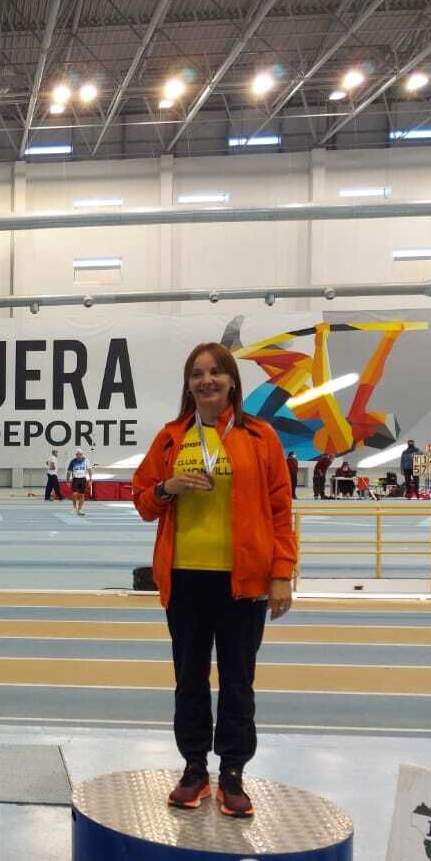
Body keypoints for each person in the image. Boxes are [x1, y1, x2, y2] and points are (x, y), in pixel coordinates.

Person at [133, 341, 295, 819]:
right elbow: (143, 501)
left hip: (243, 582)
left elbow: (281, 512)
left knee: (239, 682)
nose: (207, 381)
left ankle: (233, 773)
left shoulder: (262, 437)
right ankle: (194, 768)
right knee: (189, 680)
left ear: (231, 382)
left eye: (216, 373)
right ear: (188, 385)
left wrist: (281, 573)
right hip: (185, 579)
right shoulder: (170, 438)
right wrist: (169, 488)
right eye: (198, 374)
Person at [66, 449, 90, 515]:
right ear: (76, 455)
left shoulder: (86, 460)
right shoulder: (73, 461)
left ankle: (80, 509)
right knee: (74, 494)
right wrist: (67, 481)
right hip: (75, 479)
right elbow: (69, 471)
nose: (79, 455)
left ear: (82, 454)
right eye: (78, 454)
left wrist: (90, 479)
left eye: (80, 454)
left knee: (82, 494)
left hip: (83, 479)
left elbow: (89, 469)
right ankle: (74, 507)